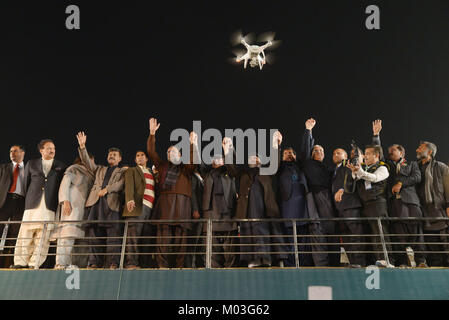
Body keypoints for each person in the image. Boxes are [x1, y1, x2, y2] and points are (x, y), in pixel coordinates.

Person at [372, 120, 427, 268]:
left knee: (416, 231)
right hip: (395, 204)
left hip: (411, 202)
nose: (390, 153)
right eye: (389, 151)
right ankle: (402, 262)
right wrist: (376, 135)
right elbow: (379, 154)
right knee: (398, 232)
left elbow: (417, 177)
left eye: (393, 151)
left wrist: (401, 183)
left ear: (401, 152)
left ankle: (421, 260)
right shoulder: (387, 165)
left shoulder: (412, 164)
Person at [147, 118, 195, 268]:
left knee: (181, 238)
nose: (169, 153)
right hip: (165, 205)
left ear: (180, 155)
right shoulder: (162, 166)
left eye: (173, 151)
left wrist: (192, 144)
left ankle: (179, 265)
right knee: (163, 237)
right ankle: (162, 265)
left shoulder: (186, 168)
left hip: (182, 205)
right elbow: (151, 152)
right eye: (168, 151)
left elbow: (194, 161)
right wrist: (152, 133)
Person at [274, 131, 327, 267]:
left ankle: (304, 265)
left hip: (303, 209)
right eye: (286, 153)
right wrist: (277, 145)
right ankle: (290, 265)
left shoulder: (301, 166)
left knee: (303, 240)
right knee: (289, 239)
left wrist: (308, 131)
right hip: (286, 209)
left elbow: (305, 151)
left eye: (291, 153)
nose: (289, 154)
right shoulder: (279, 169)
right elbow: (274, 162)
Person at [77, 132, 127, 269]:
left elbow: (122, 184)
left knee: (113, 237)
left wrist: (108, 189)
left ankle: (113, 263)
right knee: (94, 235)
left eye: (114, 155)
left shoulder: (123, 171)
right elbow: (87, 162)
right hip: (96, 205)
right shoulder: (99, 169)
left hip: (112, 206)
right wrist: (82, 147)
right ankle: (93, 262)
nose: (111, 156)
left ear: (120, 159)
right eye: (110, 154)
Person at [12, 139, 66, 269]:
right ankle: (20, 262)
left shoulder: (60, 165)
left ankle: (34, 263)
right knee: (25, 234)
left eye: (53, 148)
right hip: (32, 204)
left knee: (43, 236)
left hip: (49, 206)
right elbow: (26, 184)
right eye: (49, 148)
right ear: (41, 150)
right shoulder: (32, 163)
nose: (52, 150)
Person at [234, 143, 287, 268]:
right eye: (251, 158)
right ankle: (252, 260)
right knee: (249, 233)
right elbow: (232, 167)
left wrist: (276, 146)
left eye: (257, 157)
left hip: (265, 210)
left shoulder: (266, 172)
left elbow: (275, 164)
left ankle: (266, 259)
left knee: (265, 233)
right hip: (247, 210)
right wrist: (228, 149)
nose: (254, 159)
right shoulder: (242, 174)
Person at [347, 143, 395, 268]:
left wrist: (360, 172)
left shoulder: (383, 168)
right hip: (366, 205)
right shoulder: (365, 168)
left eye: (368, 154)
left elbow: (374, 178)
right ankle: (374, 260)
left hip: (378, 203)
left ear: (376, 155)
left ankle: (387, 260)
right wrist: (355, 171)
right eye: (365, 153)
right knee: (371, 234)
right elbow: (357, 179)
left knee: (380, 232)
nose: (365, 156)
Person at [299, 118, 338, 266]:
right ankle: (322, 265)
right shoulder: (308, 164)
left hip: (329, 199)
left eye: (322, 151)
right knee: (317, 229)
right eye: (316, 150)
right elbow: (304, 149)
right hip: (315, 198)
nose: (319, 152)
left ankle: (335, 264)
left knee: (332, 230)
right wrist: (308, 130)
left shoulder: (328, 169)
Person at [199, 137, 238, 268]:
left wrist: (228, 148)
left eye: (220, 158)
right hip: (211, 215)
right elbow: (198, 163)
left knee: (230, 251)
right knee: (212, 251)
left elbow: (233, 162)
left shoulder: (230, 172)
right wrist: (194, 143)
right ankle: (214, 275)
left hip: (228, 215)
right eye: (214, 159)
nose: (217, 160)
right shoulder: (207, 174)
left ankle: (230, 274)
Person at [52, 154, 95, 269]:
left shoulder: (92, 175)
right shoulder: (74, 168)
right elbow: (64, 184)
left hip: (84, 208)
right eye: (91, 160)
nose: (92, 162)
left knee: (80, 237)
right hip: (72, 206)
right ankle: (61, 263)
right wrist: (65, 200)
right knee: (67, 233)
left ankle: (75, 264)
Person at [416, 141, 449, 266]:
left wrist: (448, 205)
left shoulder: (441, 167)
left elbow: (447, 187)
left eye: (421, 148)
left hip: (438, 211)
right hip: (423, 213)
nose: (417, 150)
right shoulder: (415, 167)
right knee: (430, 248)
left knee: (444, 246)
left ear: (429, 151)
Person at [332, 147, 366, 268]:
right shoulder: (335, 170)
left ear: (346, 156)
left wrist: (341, 189)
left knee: (356, 235)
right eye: (334, 153)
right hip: (340, 208)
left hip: (351, 205)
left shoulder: (348, 165)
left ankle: (359, 262)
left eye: (339, 153)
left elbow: (349, 177)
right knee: (346, 237)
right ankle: (353, 262)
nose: (335, 154)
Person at [122, 151, 156, 269]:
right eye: (137, 156)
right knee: (133, 236)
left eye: (142, 155)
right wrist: (130, 200)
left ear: (147, 158)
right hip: (137, 206)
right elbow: (129, 186)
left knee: (146, 237)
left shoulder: (151, 173)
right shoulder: (132, 170)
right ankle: (131, 263)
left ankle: (144, 264)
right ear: (135, 160)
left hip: (150, 209)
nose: (140, 157)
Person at [0, 145, 26, 268]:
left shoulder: (28, 169)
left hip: (20, 203)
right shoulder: (3, 168)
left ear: (23, 153)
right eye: (10, 151)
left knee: (14, 234)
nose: (12, 153)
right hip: (4, 202)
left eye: (15, 151)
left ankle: (7, 264)